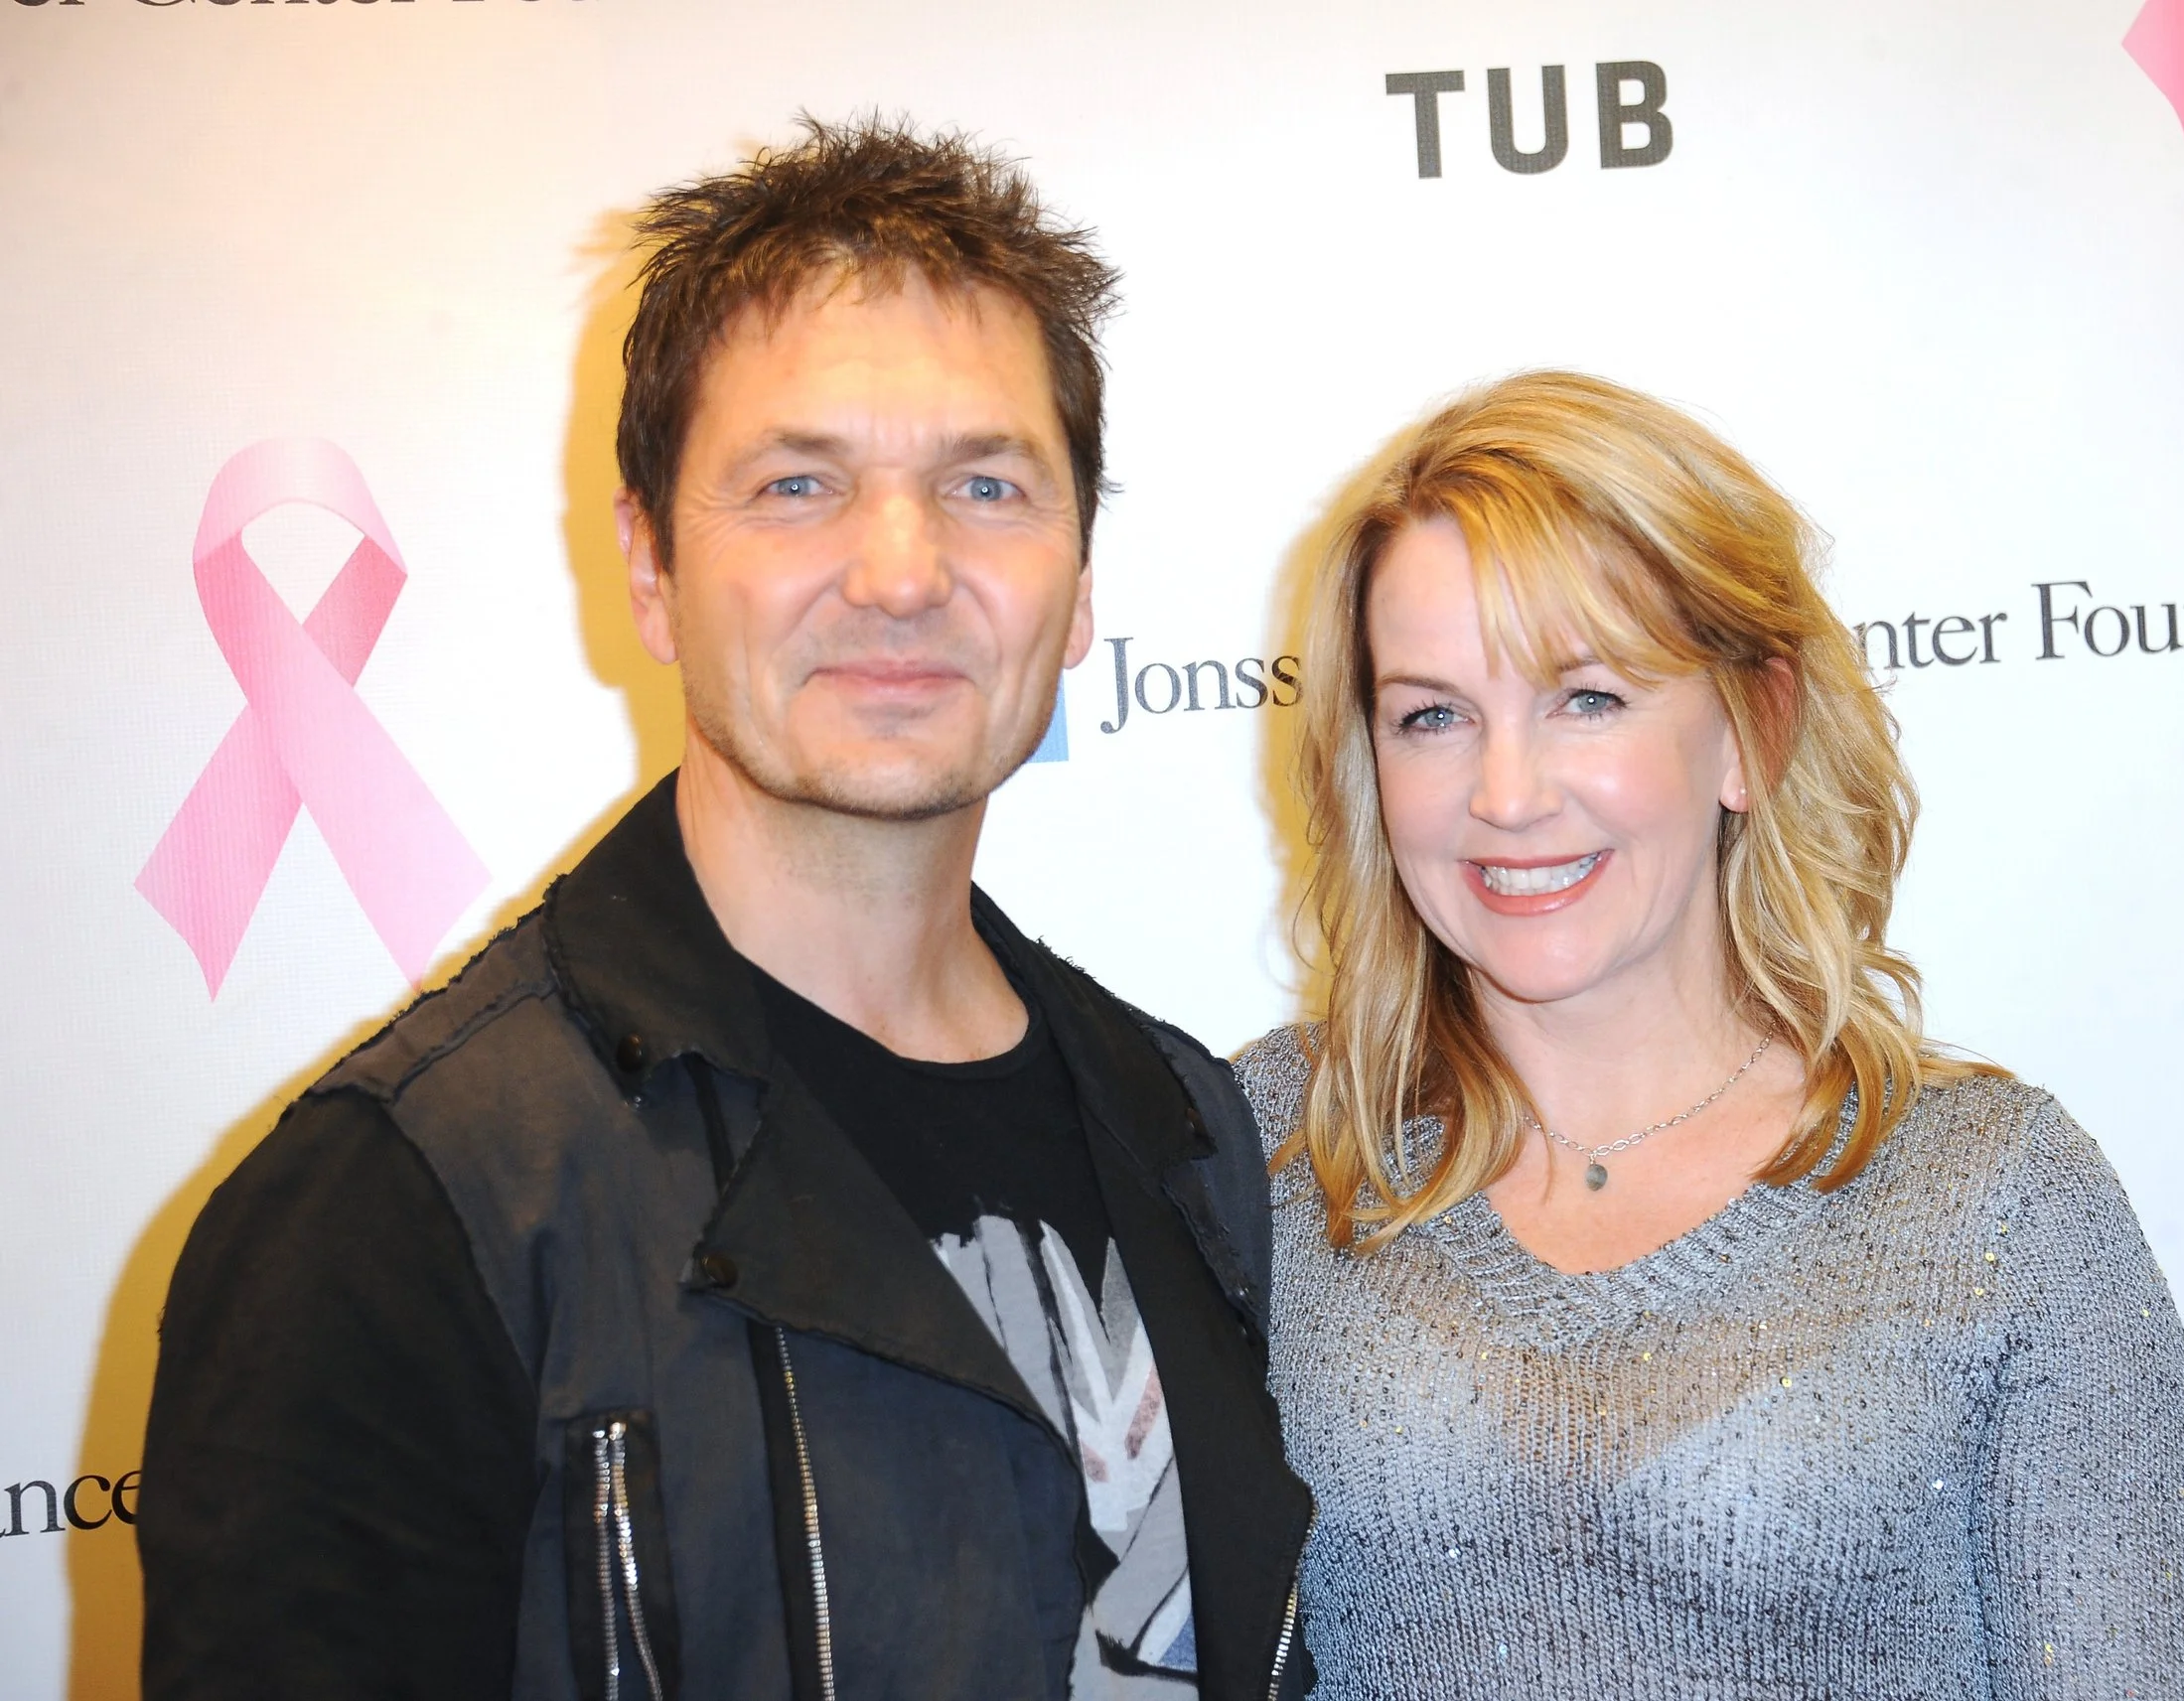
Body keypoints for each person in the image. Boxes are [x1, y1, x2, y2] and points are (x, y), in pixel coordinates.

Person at [140, 118, 1312, 1701]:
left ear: (1080, 578)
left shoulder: (1183, 1123)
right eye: (796, 484)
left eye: (985, 484)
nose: (900, 572)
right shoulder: (403, 1202)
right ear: (649, 566)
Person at [1236, 370, 2184, 1699]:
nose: (1505, 794)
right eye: (1433, 715)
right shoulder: (1259, 1154)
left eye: (1588, 697)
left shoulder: (1995, 1197)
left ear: (1751, 729)